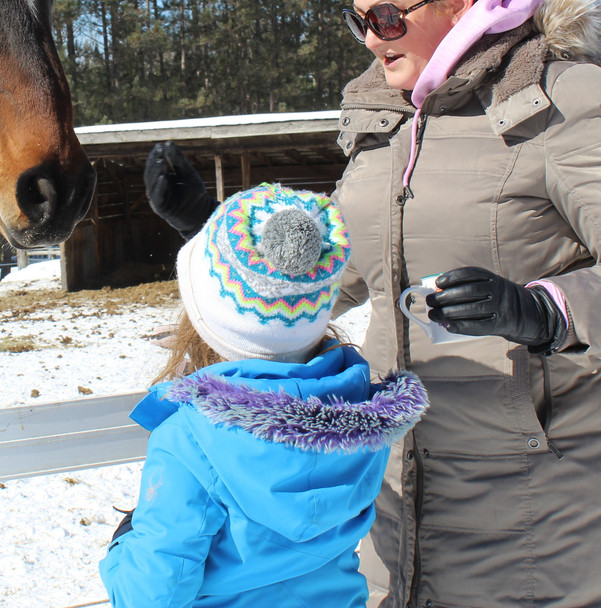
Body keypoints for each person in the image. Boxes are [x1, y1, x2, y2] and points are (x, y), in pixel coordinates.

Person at [144, 0, 601, 607]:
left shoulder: (557, 98)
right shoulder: (383, 120)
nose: (370, 38)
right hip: (395, 497)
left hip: (546, 514)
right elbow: (333, 274)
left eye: (387, 17)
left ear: (458, 4)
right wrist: (214, 232)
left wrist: (544, 311)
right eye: (359, 19)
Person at [100, 183, 428, 608]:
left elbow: (149, 595)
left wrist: (123, 543)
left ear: (206, 319)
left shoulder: (191, 440)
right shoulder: (361, 416)